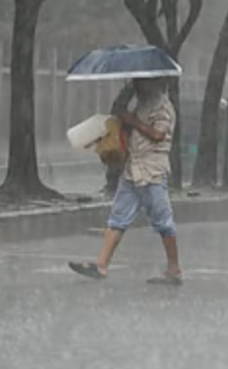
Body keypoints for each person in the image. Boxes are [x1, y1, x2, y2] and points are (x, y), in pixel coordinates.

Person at [69, 77, 182, 285]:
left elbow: (158, 134)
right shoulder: (141, 103)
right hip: (132, 170)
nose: (137, 86)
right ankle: (101, 265)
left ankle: (174, 269)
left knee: (163, 222)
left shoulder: (163, 106)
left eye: (139, 82)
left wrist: (133, 122)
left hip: (152, 172)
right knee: (117, 219)